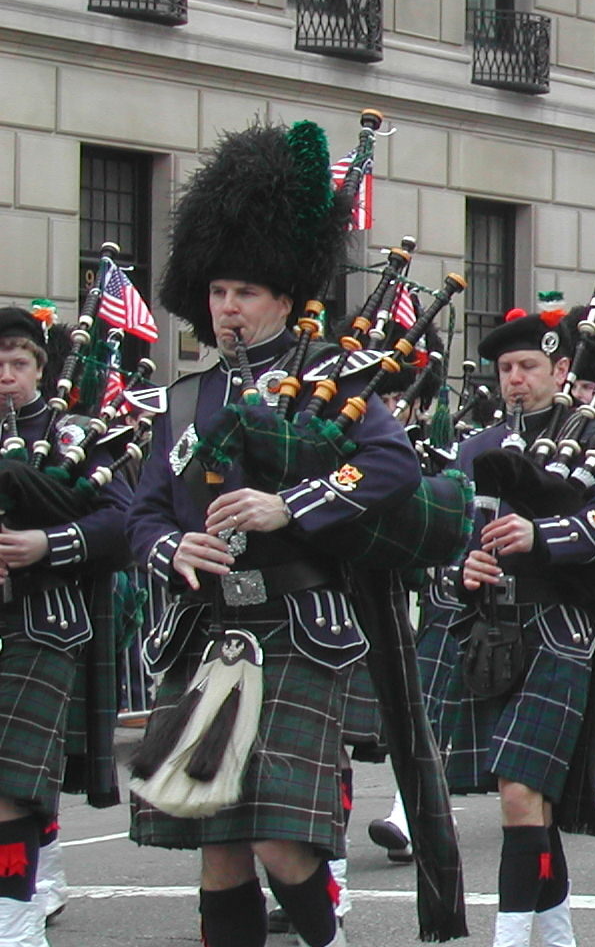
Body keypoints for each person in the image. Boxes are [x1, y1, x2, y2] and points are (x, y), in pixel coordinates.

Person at [127, 121, 422, 947]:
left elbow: (391, 467)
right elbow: (142, 513)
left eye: (245, 294)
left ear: (285, 299)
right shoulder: (184, 400)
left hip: (299, 627)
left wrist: (289, 505)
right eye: (219, 293)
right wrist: (170, 548)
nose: (227, 308)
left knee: (274, 838)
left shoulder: (337, 375)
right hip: (207, 625)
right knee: (216, 846)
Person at [438, 300, 595, 947]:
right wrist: (460, 566)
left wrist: (544, 534)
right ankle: (556, 936)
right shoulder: (477, 448)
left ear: (560, 369)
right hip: (489, 633)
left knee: (521, 793)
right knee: (529, 804)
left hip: (561, 632)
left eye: (528, 365)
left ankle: (508, 939)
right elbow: (446, 532)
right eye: (505, 368)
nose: (515, 379)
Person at [0, 306, 134, 946]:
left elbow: (121, 525)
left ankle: (17, 923)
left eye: (18, 363)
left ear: (41, 368)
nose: (5, 376)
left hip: (41, 624)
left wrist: (45, 545)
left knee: (12, 781)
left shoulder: (79, 432)